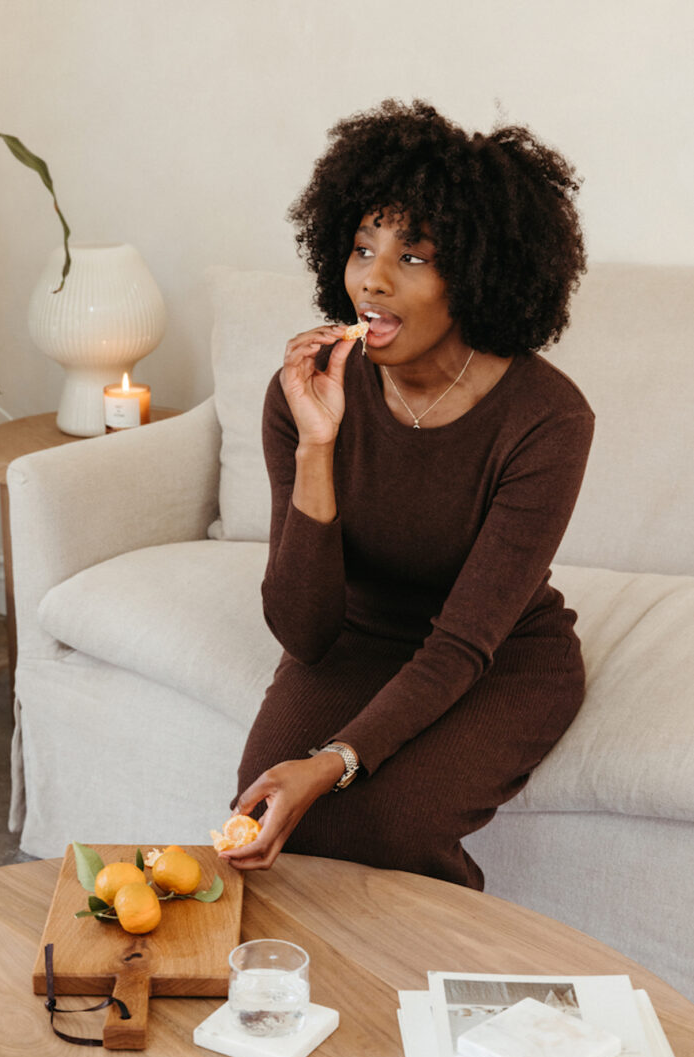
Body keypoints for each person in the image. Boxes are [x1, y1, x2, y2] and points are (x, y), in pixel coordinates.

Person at [218, 99, 593, 885]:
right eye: (361, 248)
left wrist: (331, 762)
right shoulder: (305, 394)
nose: (372, 281)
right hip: (354, 641)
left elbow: (461, 642)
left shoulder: (547, 419)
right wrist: (319, 446)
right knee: (260, 820)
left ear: (482, 274)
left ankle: (431, 996)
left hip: (497, 659)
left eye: (414, 258)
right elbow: (303, 631)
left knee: (392, 824)